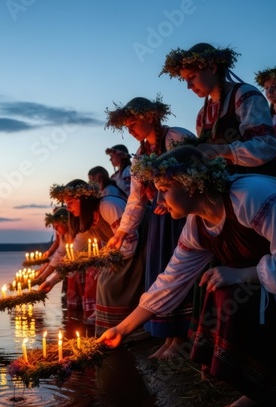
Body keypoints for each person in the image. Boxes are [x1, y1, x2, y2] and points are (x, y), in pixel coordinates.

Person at [98, 145, 276, 407]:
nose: (158, 200)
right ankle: (260, 392)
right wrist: (121, 329)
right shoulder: (197, 225)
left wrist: (243, 274)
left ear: (191, 185)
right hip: (271, 281)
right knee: (219, 287)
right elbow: (171, 281)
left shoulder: (250, 198)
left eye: (164, 189)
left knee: (229, 289)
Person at [105, 96, 195, 359]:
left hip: (181, 215)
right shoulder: (141, 155)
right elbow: (135, 197)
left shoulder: (177, 137)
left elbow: (197, 172)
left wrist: (172, 201)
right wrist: (123, 231)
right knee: (159, 272)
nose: (130, 130)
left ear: (150, 117)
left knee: (178, 269)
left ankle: (182, 338)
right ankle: (169, 337)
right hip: (158, 219)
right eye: (127, 126)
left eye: (132, 123)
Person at [41, 180, 149, 337]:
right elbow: (74, 257)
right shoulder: (89, 221)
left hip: (141, 246)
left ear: (83, 199)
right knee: (104, 282)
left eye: (70, 202)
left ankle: (128, 330)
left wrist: (104, 260)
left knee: (108, 284)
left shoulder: (108, 206)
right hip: (118, 254)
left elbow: (130, 243)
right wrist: (51, 281)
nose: (68, 208)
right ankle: (109, 333)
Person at [160, 43, 276, 177]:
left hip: (257, 183)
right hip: (224, 187)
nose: (188, 86)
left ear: (212, 68)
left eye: (192, 77)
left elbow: (265, 146)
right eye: (185, 80)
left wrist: (220, 150)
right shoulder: (202, 114)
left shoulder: (244, 95)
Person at [36, 207, 94, 316]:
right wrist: (43, 277)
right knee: (74, 307)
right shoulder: (64, 235)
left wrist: (50, 281)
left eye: (57, 225)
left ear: (66, 222)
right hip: (73, 270)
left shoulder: (81, 233)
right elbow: (58, 256)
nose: (56, 229)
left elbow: (69, 258)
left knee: (87, 299)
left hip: (88, 270)